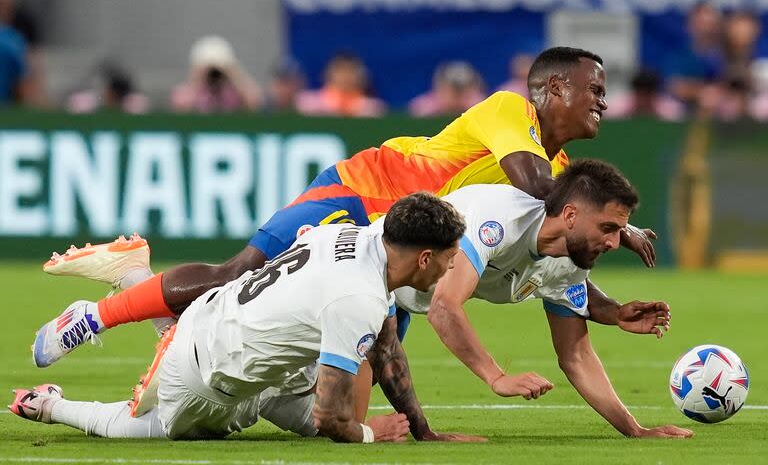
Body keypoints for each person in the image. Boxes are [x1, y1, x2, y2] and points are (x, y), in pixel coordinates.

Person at [35, 47, 658, 371]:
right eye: (594, 88)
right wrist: (618, 223)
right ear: (552, 90)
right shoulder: (510, 114)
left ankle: (140, 284)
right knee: (238, 278)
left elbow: (556, 274)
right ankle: (95, 315)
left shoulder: (555, 178)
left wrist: (608, 304)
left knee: (375, 334)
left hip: (401, 240)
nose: (603, 99)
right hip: (361, 194)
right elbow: (532, 181)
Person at [15, 193, 483, 443]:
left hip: (224, 322)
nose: (451, 268)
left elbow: (387, 345)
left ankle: (136, 275)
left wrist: (424, 432)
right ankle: (47, 406)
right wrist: (367, 432)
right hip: (206, 376)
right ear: (422, 258)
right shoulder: (356, 298)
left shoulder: (361, 234)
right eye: (448, 258)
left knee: (324, 406)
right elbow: (329, 419)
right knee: (148, 429)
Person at [381, 159, 691, 438]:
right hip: (366, 281)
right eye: (608, 228)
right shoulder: (499, 220)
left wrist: (635, 430)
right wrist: (497, 378)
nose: (613, 242)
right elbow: (444, 307)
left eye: (619, 231)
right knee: (343, 419)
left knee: (348, 402)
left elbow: (577, 357)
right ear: (570, 215)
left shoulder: (568, 263)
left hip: (397, 304)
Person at [170, 35, 261, 113]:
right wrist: (198, 78)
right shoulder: (188, 92)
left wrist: (233, 73)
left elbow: (255, 102)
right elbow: (180, 107)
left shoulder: (233, 92)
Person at [295, 52, 386, 117]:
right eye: (341, 70)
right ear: (328, 73)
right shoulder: (307, 101)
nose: (345, 75)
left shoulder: (372, 107)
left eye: (351, 70)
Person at [408, 61, 486, 117]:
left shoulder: (478, 102)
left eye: (462, 89)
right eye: (453, 89)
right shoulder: (427, 104)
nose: (457, 94)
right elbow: (416, 112)